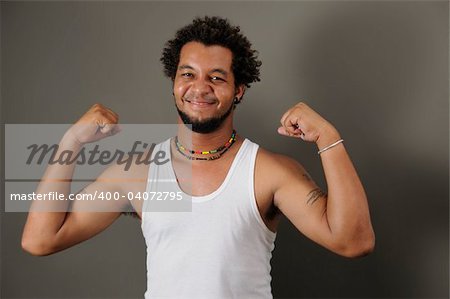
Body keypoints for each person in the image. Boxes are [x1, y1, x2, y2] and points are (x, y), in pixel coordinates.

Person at [21, 16, 375, 298]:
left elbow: (354, 241)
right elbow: (41, 239)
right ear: (174, 82)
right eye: (187, 74)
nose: (199, 87)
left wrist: (329, 139)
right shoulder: (139, 173)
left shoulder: (268, 172)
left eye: (216, 77)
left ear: (239, 90)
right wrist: (70, 143)